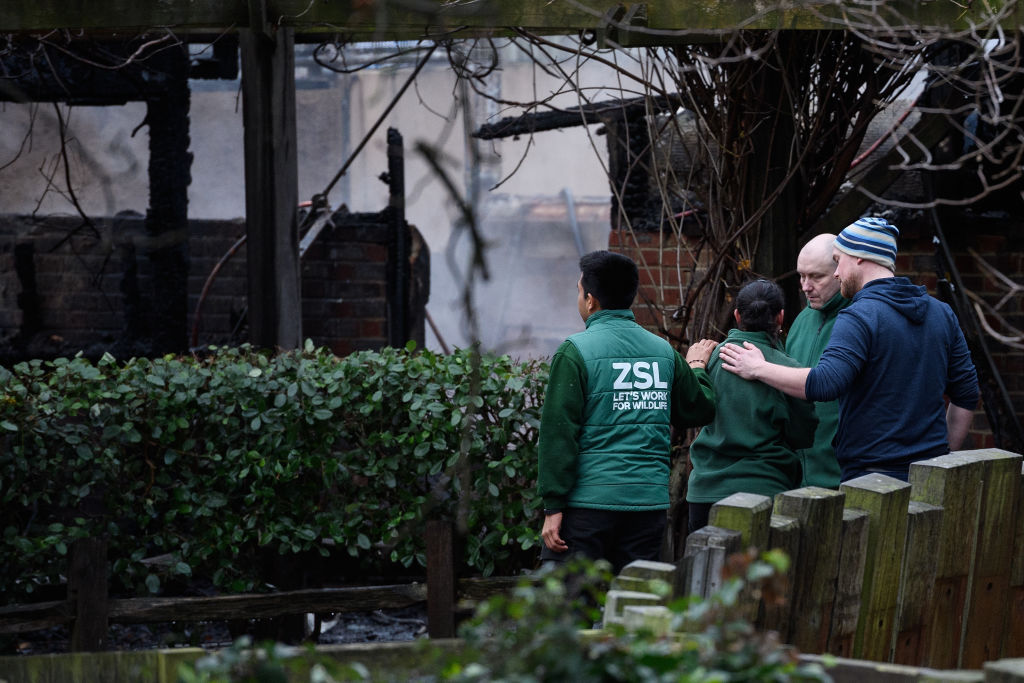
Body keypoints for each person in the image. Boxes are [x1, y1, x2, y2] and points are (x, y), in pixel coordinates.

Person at [719, 217, 980, 482]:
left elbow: (825, 383)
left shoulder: (859, 316)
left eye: (838, 260)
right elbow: (967, 393)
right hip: (930, 476)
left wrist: (759, 368)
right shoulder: (942, 313)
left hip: (871, 479)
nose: (836, 272)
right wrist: (942, 456)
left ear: (858, 258)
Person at [537, 250, 717, 572]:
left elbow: (558, 434)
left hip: (587, 508)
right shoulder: (663, 351)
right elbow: (698, 409)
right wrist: (697, 367)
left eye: (579, 291)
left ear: (590, 300)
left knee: (571, 609)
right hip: (647, 506)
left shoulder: (574, 351)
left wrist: (554, 506)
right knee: (637, 606)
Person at [686, 279, 818, 533]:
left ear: (736, 315)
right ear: (781, 317)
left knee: (705, 570)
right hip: (765, 490)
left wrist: (696, 370)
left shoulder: (706, 359)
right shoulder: (789, 371)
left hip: (706, 492)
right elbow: (803, 435)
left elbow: (690, 410)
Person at [786, 233, 849, 488]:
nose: (805, 286)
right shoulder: (803, 319)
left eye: (816, 276)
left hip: (844, 478)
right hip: (796, 480)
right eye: (801, 275)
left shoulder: (858, 319)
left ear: (839, 270)